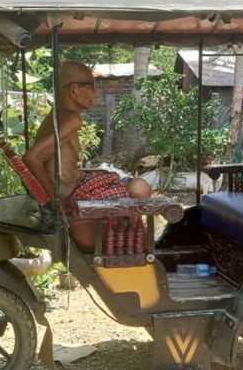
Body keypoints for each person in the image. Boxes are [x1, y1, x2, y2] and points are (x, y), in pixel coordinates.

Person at [23, 61, 151, 249]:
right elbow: (31, 158)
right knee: (140, 188)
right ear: (74, 90)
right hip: (73, 194)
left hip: (77, 186)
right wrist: (55, 202)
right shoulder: (71, 118)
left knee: (135, 187)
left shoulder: (56, 116)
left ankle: (134, 233)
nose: (95, 93)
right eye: (92, 87)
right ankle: (136, 240)